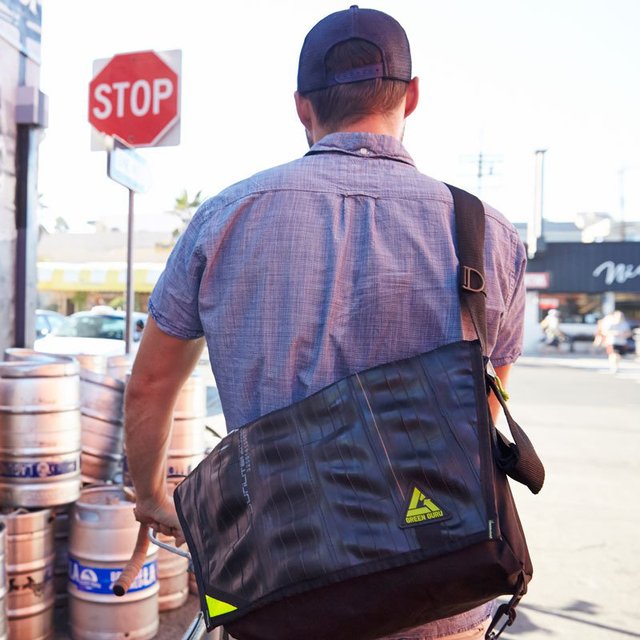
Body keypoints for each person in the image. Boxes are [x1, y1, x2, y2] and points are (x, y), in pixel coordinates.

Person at [124, 6, 527, 639]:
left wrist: (149, 495)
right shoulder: (488, 234)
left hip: (280, 592)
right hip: (439, 592)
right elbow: (483, 404)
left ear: (301, 106)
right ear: (411, 96)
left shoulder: (225, 219)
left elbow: (150, 385)